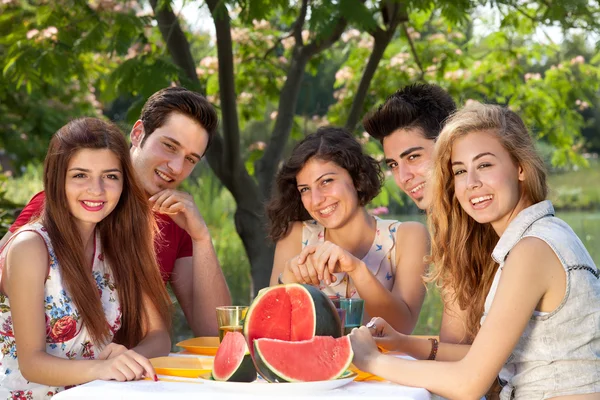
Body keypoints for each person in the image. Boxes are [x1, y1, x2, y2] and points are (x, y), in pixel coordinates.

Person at [349, 103, 600, 399]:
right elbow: (479, 358)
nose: (472, 184)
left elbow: (469, 382)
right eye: (460, 171)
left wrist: (370, 360)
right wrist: (402, 342)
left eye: (485, 165)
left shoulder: (533, 249)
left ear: (521, 167)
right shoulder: (542, 236)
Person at [0, 87, 231, 336]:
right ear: (138, 133)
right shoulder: (67, 203)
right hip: (51, 370)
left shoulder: (176, 220)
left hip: (130, 370)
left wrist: (201, 238)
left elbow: (215, 333)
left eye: (190, 159)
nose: (176, 167)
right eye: (169, 146)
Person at [0, 118, 173, 398]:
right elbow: (32, 363)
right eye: (80, 175)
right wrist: (102, 368)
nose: (97, 189)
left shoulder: (118, 244)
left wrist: (128, 359)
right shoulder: (30, 247)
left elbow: (159, 336)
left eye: (111, 176)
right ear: (57, 180)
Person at [266, 126, 429, 334]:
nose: (316, 200)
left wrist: (356, 269)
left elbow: (402, 327)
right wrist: (286, 279)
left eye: (326, 181)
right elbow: (271, 328)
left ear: (357, 178)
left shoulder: (409, 236)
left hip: (384, 365)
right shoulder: (295, 236)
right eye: (305, 189)